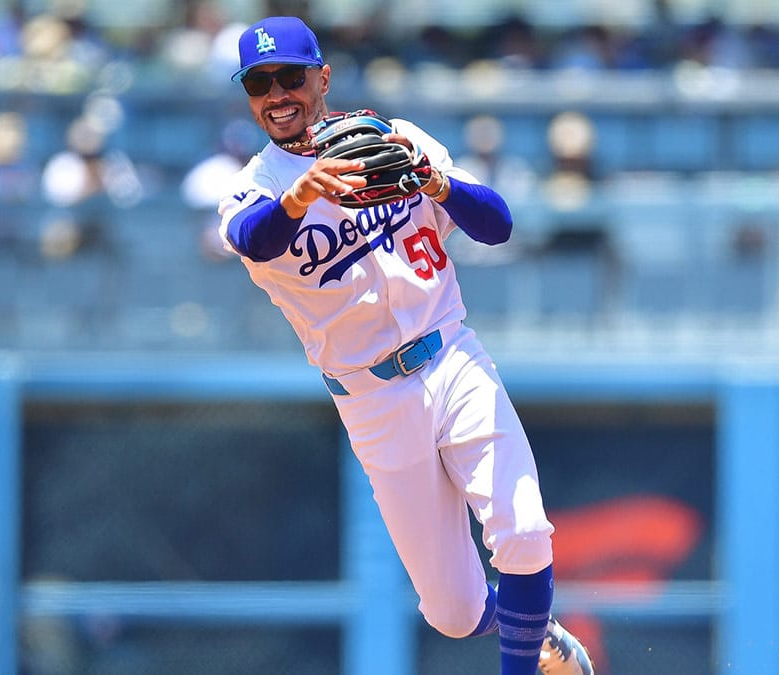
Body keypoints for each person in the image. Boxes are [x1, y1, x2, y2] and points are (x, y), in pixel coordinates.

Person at [217, 16, 594, 675]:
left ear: (322, 77)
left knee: (526, 532)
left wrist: (435, 180)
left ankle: (525, 659)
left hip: (451, 354)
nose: (277, 93)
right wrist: (299, 197)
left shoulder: (392, 140)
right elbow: (254, 238)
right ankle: (535, 626)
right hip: (371, 399)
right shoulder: (256, 187)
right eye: (260, 82)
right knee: (451, 611)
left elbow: (497, 224)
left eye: (290, 77)